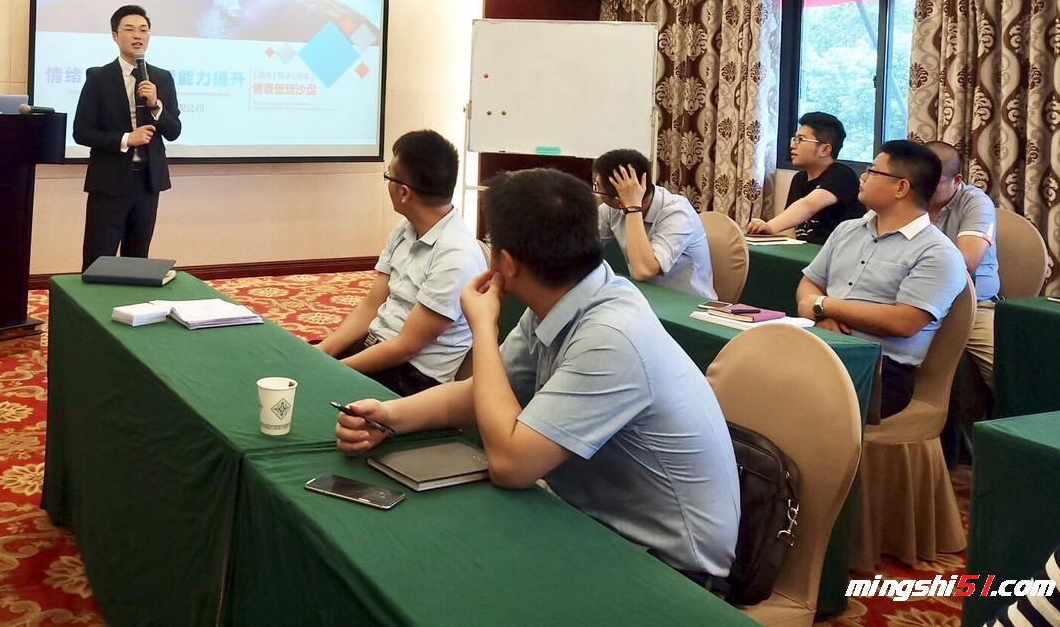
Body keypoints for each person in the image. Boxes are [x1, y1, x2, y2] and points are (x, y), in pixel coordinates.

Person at [335, 168, 741, 589]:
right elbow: (484, 392)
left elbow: (511, 466)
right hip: (594, 522)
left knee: (445, 575)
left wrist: (484, 329)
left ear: (507, 263)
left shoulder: (611, 336)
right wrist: (390, 416)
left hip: (670, 568)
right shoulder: (569, 295)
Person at [795, 140, 966, 418]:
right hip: (823, 344)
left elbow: (904, 322)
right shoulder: (847, 230)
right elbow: (811, 283)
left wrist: (823, 306)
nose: (862, 177)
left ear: (901, 187)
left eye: (872, 171)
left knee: (782, 391)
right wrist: (820, 315)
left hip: (881, 371)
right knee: (751, 366)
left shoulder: (938, 253)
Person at [316, 130, 483, 395]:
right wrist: (321, 353)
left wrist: (334, 370)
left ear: (404, 192)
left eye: (388, 176)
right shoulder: (406, 228)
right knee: (293, 367)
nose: (387, 183)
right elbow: (371, 305)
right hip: (375, 348)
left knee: (312, 393)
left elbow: (406, 347)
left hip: (411, 378)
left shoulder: (456, 257)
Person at [73, 5, 181, 267]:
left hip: (147, 181)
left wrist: (156, 106)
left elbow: (174, 131)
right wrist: (125, 139)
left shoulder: (162, 78)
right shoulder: (98, 78)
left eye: (143, 30)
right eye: (130, 29)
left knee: (137, 260)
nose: (138, 36)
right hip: (109, 181)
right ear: (114, 35)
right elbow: (81, 132)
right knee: (99, 258)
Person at [925, 140, 1001, 385]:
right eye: (917, 179)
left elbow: (966, 262)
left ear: (956, 180)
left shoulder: (976, 203)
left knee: (1008, 375)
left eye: (932, 184)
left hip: (972, 305)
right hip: (916, 301)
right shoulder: (905, 194)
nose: (922, 189)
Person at [592, 148, 715, 298]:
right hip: (644, 297)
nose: (597, 195)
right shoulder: (612, 209)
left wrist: (632, 208)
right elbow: (583, 246)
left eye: (598, 189)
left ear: (619, 200)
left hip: (689, 305)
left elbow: (644, 271)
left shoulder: (678, 213)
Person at [747, 111, 864, 243]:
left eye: (800, 140)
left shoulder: (842, 175)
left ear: (825, 149)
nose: (792, 145)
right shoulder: (799, 178)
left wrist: (768, 226)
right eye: (794, 139)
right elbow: (789, 228)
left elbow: (808, 205)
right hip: (802, 250)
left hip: (834, 252)